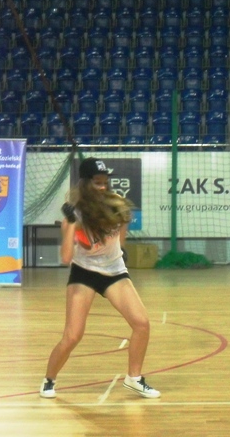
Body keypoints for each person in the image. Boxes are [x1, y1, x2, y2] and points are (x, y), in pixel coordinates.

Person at [39, 157, 160, 399]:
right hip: (84, 273)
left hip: (114, 272)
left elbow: (121, 237)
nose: (103, 186)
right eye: (97, 182)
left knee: (142, 323)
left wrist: (119, 251)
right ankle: (49, 380)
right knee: (73, 335)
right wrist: (71, 225)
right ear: (85, 183)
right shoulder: (76, 214)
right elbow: (66, 257)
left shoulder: (118, 206)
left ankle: (134, 378)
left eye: (105, 182)